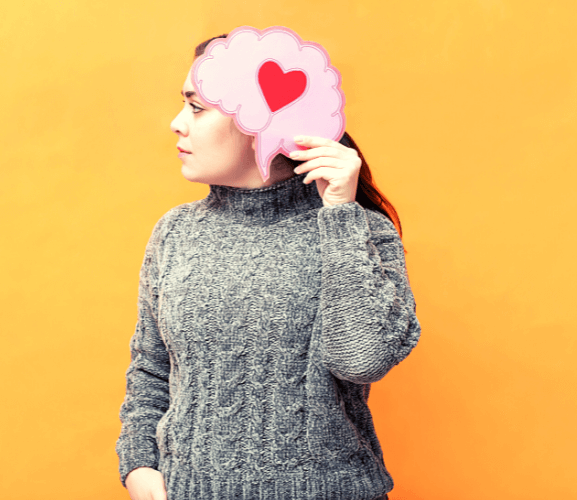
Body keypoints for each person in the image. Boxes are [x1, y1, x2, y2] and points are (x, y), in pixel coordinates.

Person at [115, 33, 421, 500]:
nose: (177, 123)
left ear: (260, 123)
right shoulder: (175, 232)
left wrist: (338, 214)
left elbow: (361, 359)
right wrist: (140, 472)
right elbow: (151, 372)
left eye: (196, 108)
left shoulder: (358, 231)